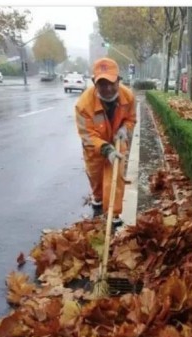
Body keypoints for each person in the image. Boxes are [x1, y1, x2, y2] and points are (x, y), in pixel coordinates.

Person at [75, 57, 136, 231]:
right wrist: (105, 148)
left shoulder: (128, 97)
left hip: (118, 143)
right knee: (97, 181)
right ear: (94, 82)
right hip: (95, 149)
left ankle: (114, 216)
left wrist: (125, 129)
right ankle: (98, 201)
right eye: (102, 84)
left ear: (118, 80)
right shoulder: (84, 105)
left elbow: (131, 119)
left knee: (116, 180)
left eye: (111, 83)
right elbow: (86, 134)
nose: (108, 88)